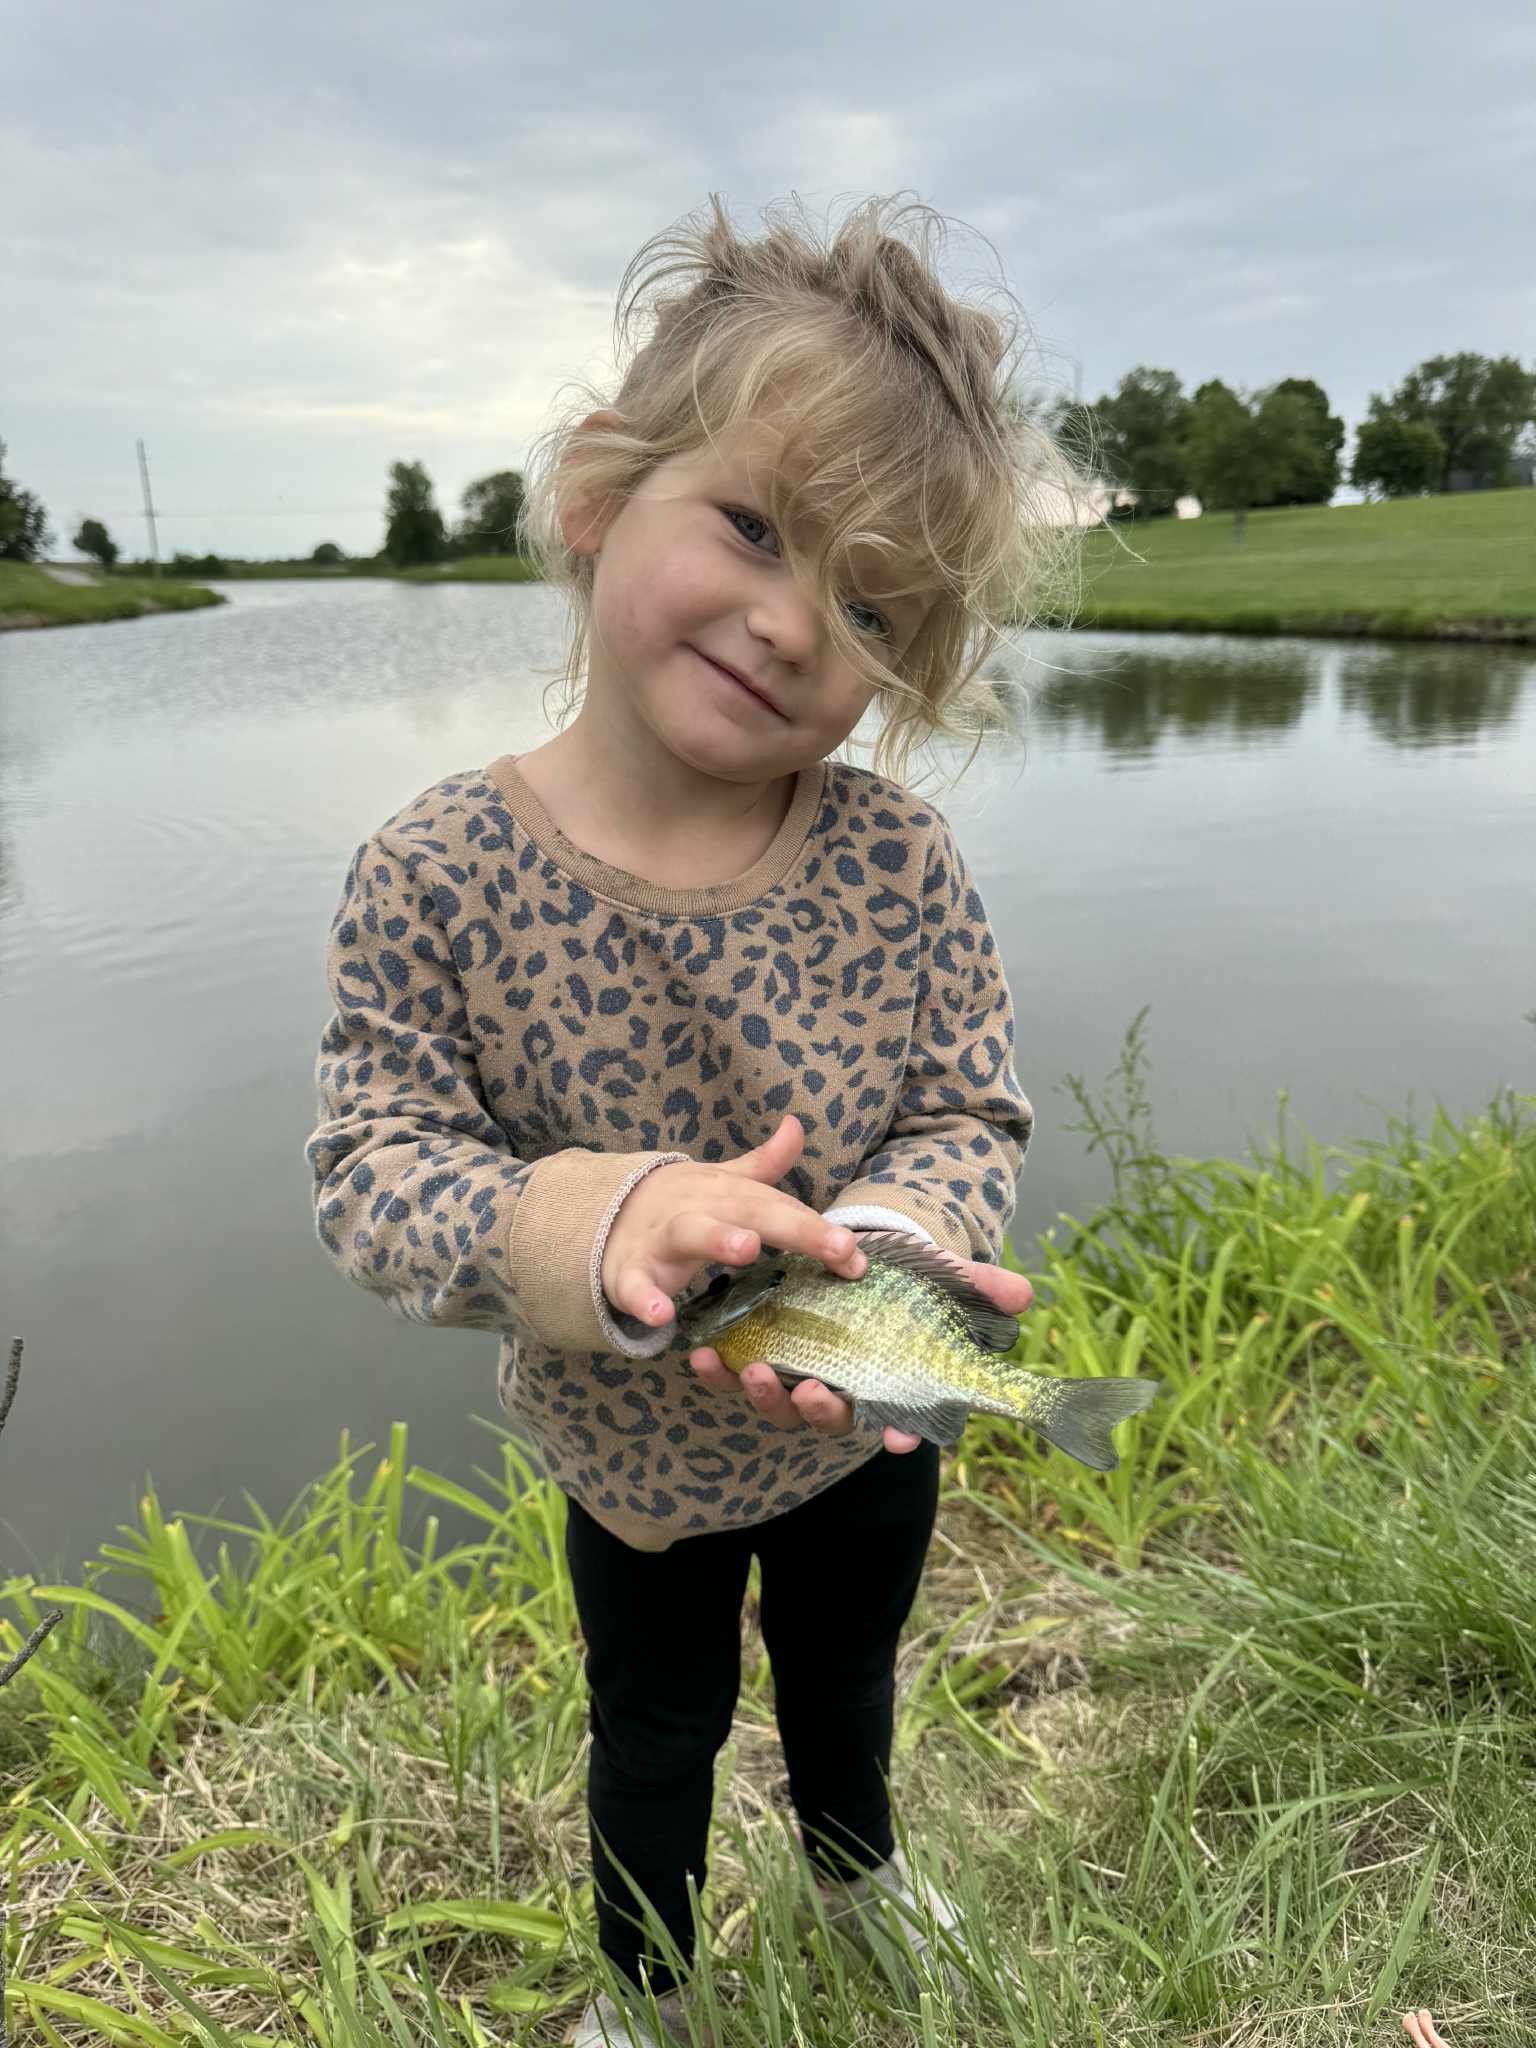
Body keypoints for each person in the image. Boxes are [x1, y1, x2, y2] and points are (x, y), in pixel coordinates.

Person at [305, 190, 1086, 2046]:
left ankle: (860, 1880)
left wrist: (901, 1237)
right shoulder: (436, 869)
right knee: (654, 1731)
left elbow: (968, 1104)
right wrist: (601, 1221)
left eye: (871, 604)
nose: (793, 620)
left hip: (862, 1419)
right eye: (753, 525)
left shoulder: (901, 860)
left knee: (847, 1682)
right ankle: (650, 1994)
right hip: (632, 1464)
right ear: (599, 491)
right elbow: (373, 1174)